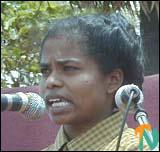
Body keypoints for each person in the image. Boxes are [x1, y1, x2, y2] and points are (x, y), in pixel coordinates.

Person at [39, 12, 149, 151]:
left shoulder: (142, 147)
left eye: (68, 68)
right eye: (45, 71)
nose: (51, 81)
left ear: (112, 80)